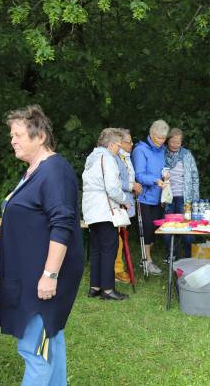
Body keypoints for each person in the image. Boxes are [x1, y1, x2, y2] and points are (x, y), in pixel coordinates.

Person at [0, 105, 84, 385]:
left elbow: (63, 224)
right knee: (50, 340)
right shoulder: (34, 171)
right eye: (12, 134)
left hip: (43, 278)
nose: (13, 139)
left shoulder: (55, 171)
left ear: (40, 136)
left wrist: (50, 275)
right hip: (29, 276)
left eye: (18, 134)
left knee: (35, 349)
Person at [82, 128, 130, 301]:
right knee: (109, 248)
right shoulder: (108, 159)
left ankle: (95, 287)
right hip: (104, 210)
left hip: (91, 210)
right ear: (111, 145)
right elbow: (112, 188)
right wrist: (124, 199)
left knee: (96, 249)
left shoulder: (91, 158)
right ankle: (108, 289)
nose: (120, 149)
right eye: (118, 145)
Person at [132, 119, 170, 275]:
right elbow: (139, 176)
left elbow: (160, 168)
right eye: (159, 138)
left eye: (164, 138)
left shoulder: (161, 150)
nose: (162, 141)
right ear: (151, 134)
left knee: (154, 229)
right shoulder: (140, 150)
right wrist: (155, 180)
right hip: (144, 197)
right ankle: (147, 261)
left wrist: (165, 175)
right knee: (146, 229)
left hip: (158, 196)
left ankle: (147, 259)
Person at [163, 128, 199, 260]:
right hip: (168, 198)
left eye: (178, 142)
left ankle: (189, 255)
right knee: (167, 228)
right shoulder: (162, 153)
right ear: (168, 141)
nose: (175, 145)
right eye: (172, 141)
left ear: (181, 142)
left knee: (187, 228)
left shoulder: (187, 155)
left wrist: (195, 198)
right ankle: (172, 254)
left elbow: (195, 177)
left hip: (185, 198)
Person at [113, 128, 142, 284]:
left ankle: (118, 267)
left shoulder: (126, 157)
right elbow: (115, 182)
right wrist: (132, 186)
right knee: (116, 238)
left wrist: (134, 188)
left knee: (122, 236)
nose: (132, 144)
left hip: (126, 202)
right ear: (120, 142)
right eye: (128, 141)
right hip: (118, 203)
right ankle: (117, 270)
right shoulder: (115, 157)